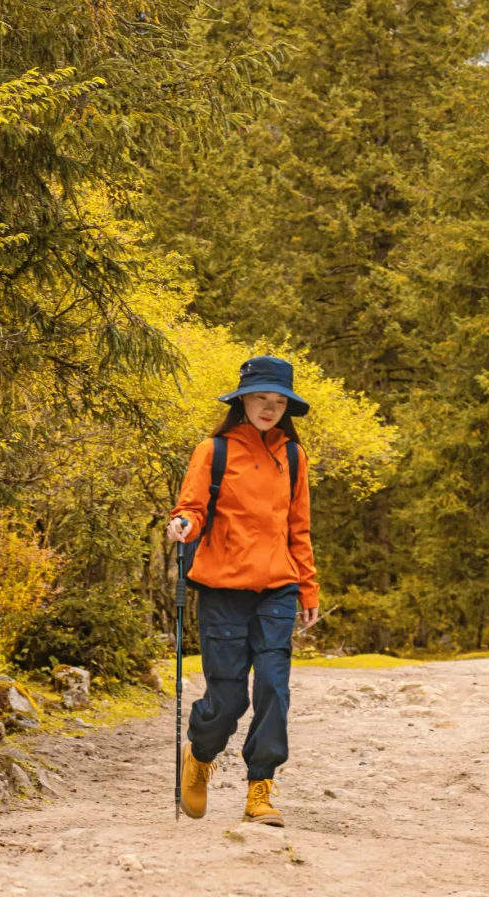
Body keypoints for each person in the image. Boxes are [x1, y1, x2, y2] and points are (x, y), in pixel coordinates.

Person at [167, 354, 320, 827]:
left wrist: (308, 588)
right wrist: (183, 524)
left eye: (279, 402)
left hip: (277, 587)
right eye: (261, 398)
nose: (270, 408)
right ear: (243, 400)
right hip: (222, 588)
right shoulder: (213, 451)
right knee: (229, 697)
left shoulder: (292, 456)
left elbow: (298, 528)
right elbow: (192, 508)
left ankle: (260, 790)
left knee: (273, 687)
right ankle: (200, 754)